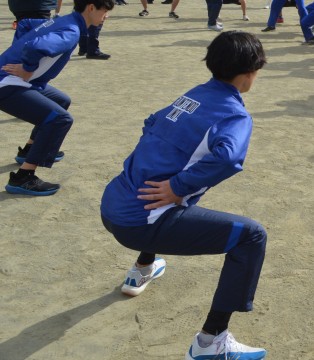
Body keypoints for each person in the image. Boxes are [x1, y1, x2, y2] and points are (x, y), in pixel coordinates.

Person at [100, 31, 269, 360]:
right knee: (252, 236)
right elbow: (229, 158)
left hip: (112, 205)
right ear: (251, 73)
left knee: (182, 190)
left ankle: (142, 267)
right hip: (139, 223)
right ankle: (211, 342)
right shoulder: (235, 115)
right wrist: (177, 186)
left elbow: (151, 121)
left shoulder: (193, 95)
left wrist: (178, 185)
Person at [0, 0, 114, 195]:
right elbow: (34, 47)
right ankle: (23, 178)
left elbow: (25, 24)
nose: (106, 16)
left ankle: (29, 150)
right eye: (105, 11)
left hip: (10, 80)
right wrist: (27, 68)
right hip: (3, 85)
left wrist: (15, 55)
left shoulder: (65, 19)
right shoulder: (72, 31)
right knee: (60, 119)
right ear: (91, 8)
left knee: (60, 101)